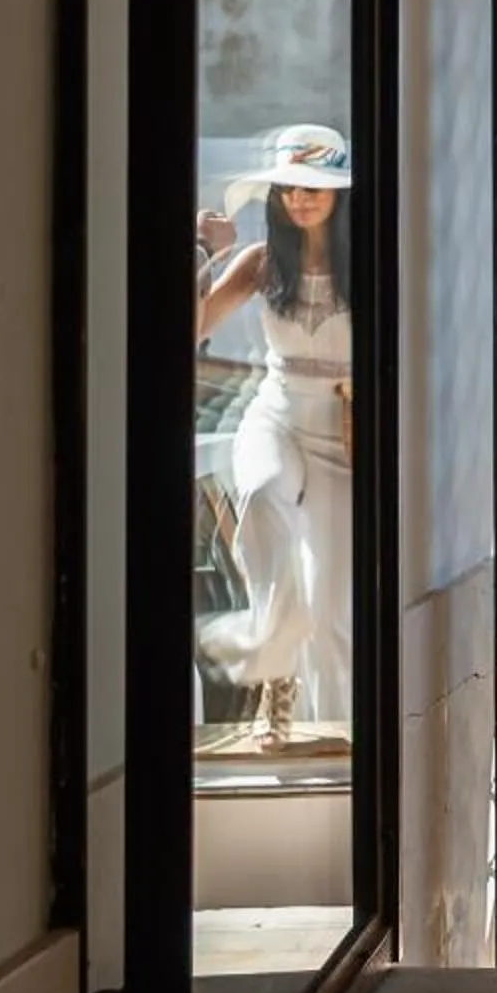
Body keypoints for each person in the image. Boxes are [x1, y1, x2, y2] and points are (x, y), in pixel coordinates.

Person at [194, 124, 356, 753]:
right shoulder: (263, 263)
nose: (300, 198)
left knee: (333, 601)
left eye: (314, 188)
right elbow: (194, 326)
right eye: (289, 187)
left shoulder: (366, 261)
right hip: (277, 415)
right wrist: (203, 252)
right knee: (262, 504)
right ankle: (274, 672)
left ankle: (333, 730)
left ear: (341, 195)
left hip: (343, 433)